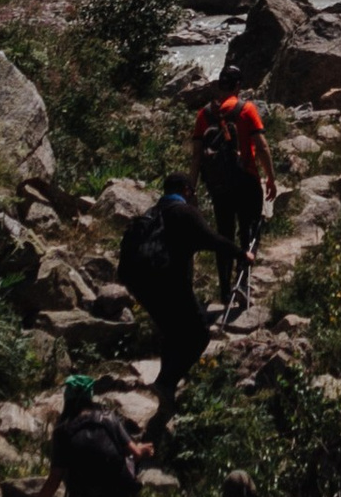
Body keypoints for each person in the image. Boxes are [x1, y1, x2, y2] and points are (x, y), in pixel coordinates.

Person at [119, 174, 217, 423]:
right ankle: (166, 382)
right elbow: (212, 240)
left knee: (172, 333)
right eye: (192, 191)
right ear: (186, 190)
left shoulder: (153, 213)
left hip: (139, 281)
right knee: (200, 333)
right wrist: (242, 254)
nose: (193, 196)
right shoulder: (184, 212)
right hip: (168, 282)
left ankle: (166, 393)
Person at [193, 73, 278, 321]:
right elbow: (261, 145)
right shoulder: (245, 109)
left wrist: (192, 186)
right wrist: (271, 177)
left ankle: (223, 289)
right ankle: (242, 281)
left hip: (218, 186)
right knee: (250, 231)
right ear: (238, 86)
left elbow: (197, 155)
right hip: (246, 180)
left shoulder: (204, 114)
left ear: (220, 86)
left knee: (223, 234)